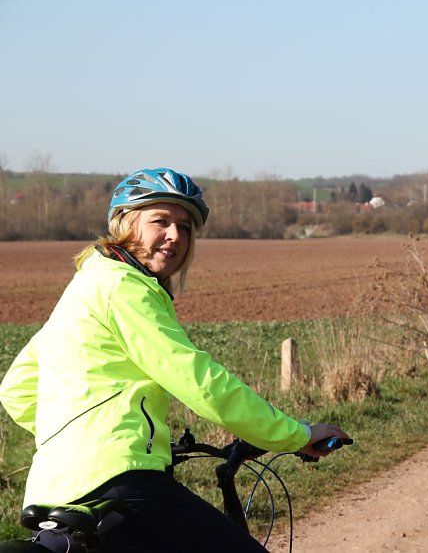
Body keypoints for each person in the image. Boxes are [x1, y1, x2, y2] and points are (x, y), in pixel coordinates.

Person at [0, 168, 350, 553]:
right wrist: (295, 434)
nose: (175, 236)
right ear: (125, 224)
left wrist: (79, 439)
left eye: (185, 227)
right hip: (120, 480)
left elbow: (16, 390)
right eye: (160, 221)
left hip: (54, 487)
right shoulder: (124, 286)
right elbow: (198, 380)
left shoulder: (88, 285)